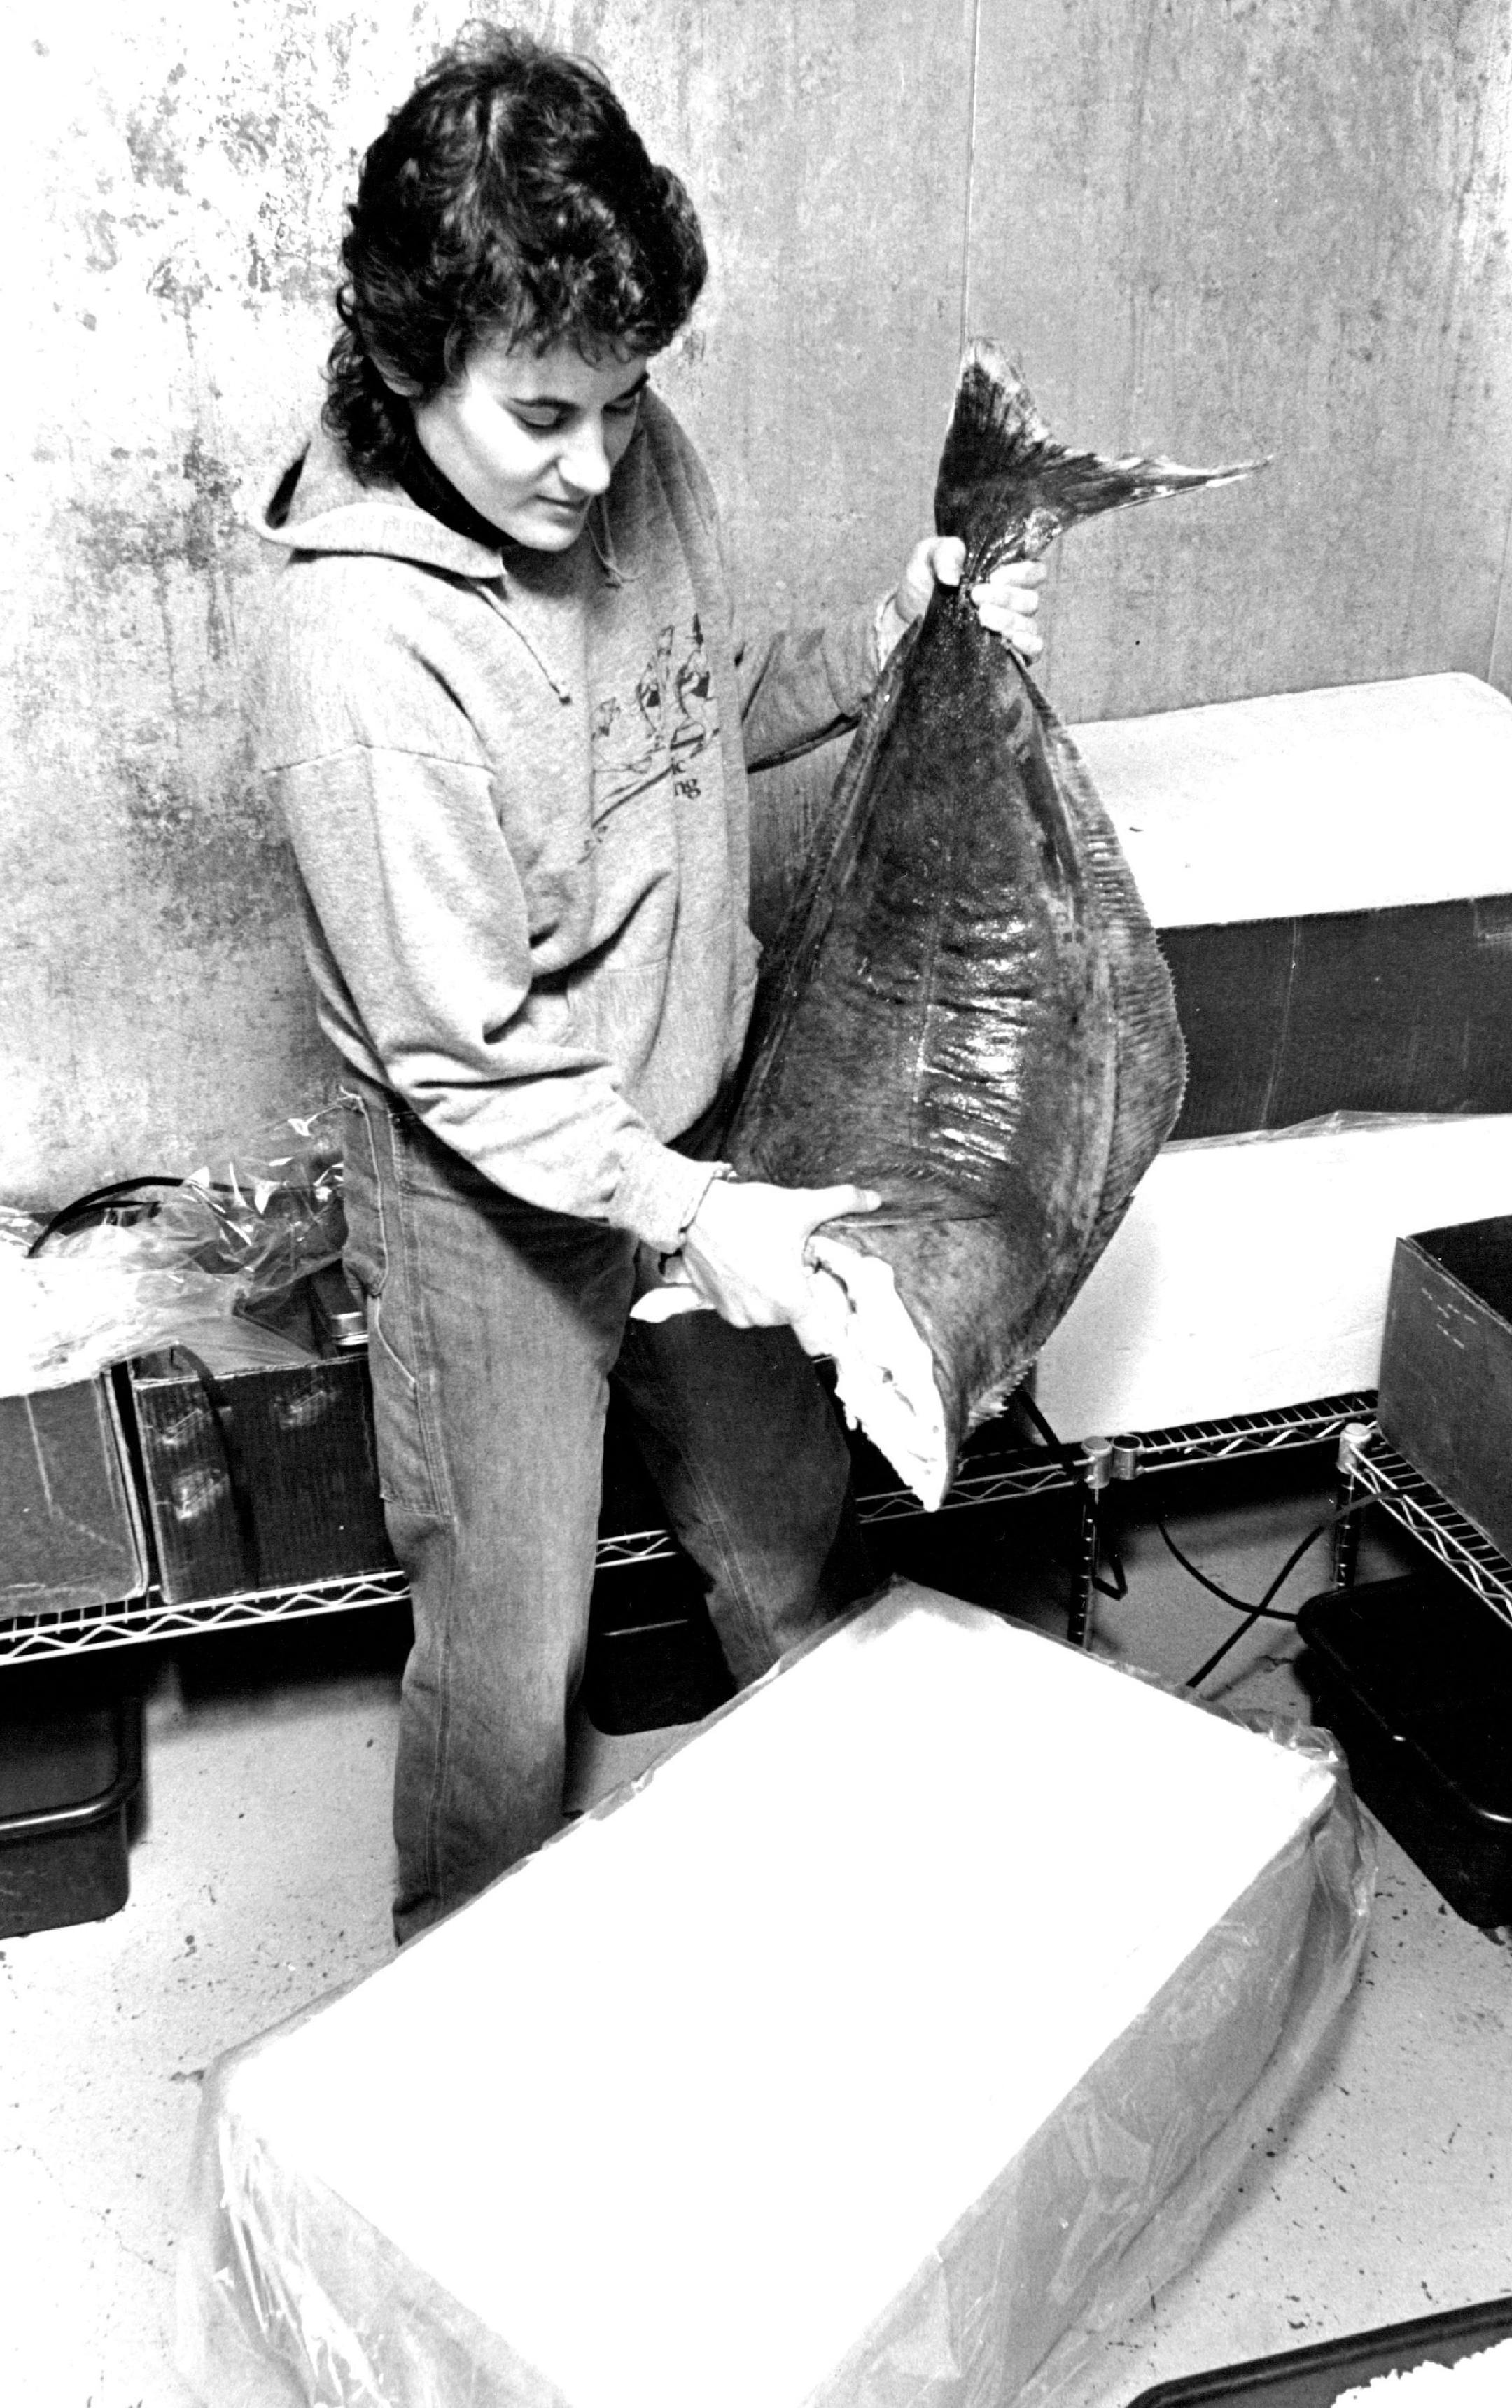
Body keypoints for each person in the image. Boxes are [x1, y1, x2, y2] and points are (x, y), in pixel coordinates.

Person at [253, 25, 1047, 1941]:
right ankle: (451, 2047)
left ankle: (904, 1919)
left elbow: (689, 713)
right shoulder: (361, 665)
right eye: (544, 416)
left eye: (625, 404)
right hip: (485, 1194)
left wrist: (896, 640)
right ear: (407, 350)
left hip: (703, 1112)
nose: (596, 461)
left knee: (787, 1547)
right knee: (511, 1665)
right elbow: (477, 1070)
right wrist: (708, 1221)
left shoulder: (617, 447)